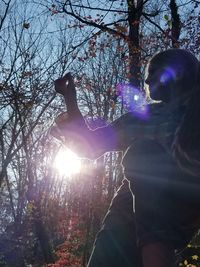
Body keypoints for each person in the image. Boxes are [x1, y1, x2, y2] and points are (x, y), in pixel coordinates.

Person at [51, 48, 200, 267]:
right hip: (124, 221)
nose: (147, 80)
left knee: (144, 155)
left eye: (155, 72)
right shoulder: (145, 117)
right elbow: (89, 147)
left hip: (175, 212)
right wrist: (70, 100)